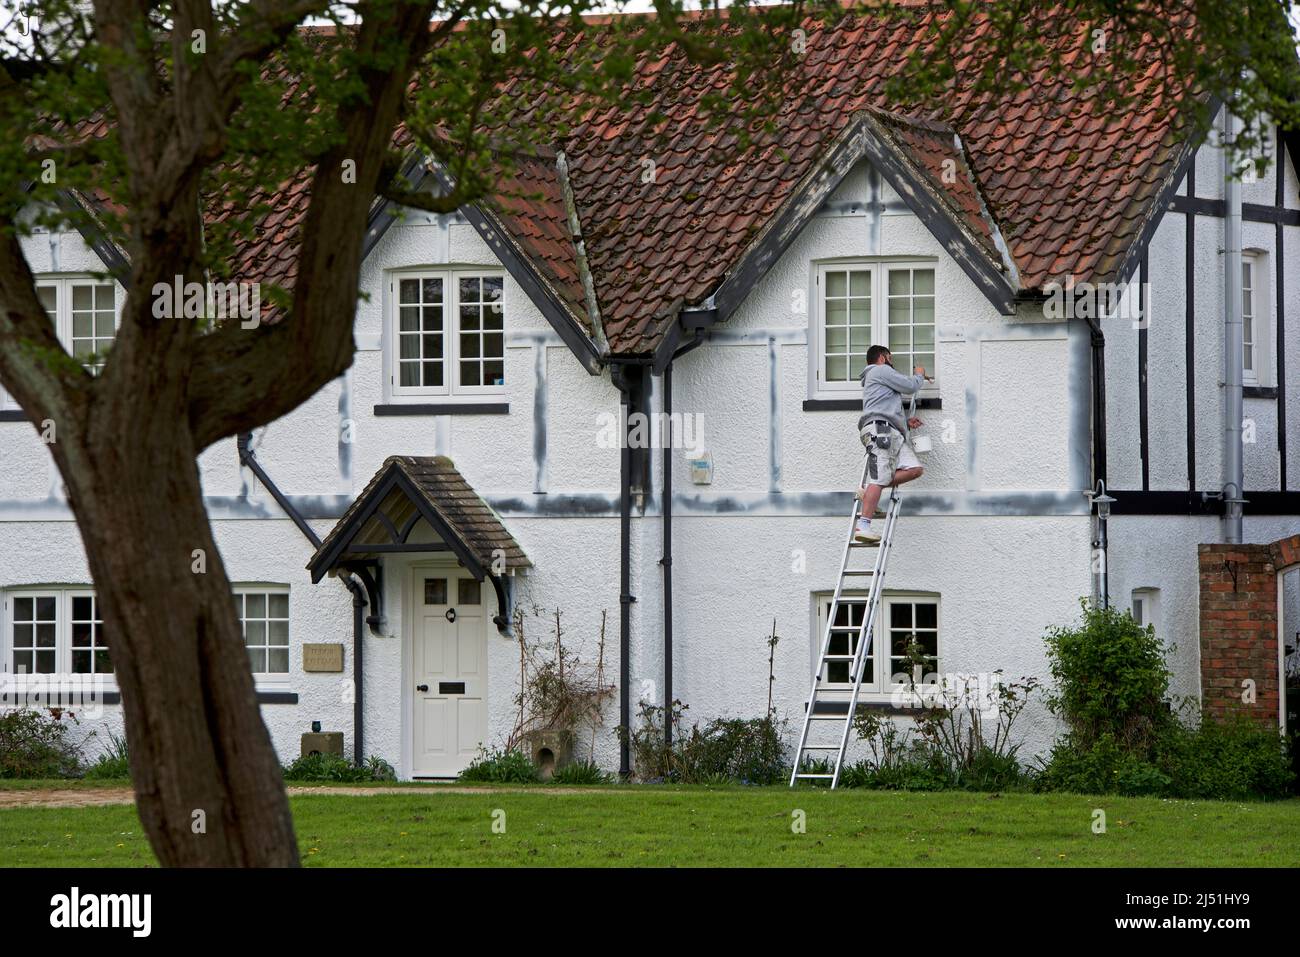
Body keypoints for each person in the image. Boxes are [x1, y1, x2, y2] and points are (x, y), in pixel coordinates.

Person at [854, 345, 927, 543]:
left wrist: (905, 422)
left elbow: (886, 407)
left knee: (915, 469)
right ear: (882, 357)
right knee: (878, 479)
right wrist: (919, 375)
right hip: (881, 431)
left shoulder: (878, 378)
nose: (891, 361)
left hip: (892, 431)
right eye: (890, 357)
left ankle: (870, 491)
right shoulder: (880, 370)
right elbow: (910, 385)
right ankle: (863, 525)